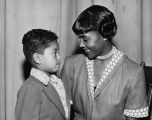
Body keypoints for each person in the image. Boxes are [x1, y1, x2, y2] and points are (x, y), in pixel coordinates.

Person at [61, 5, 148, 120]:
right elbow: (59, 109)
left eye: (85, 39)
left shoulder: (133, 73)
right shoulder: (71, 65)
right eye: (79, 39)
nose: (81, 44)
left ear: (104, 34)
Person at [15, 29, 70, 120]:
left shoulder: (54, 82)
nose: (59, 58)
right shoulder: (30, 88)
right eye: (55, 53)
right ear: (38, 58)